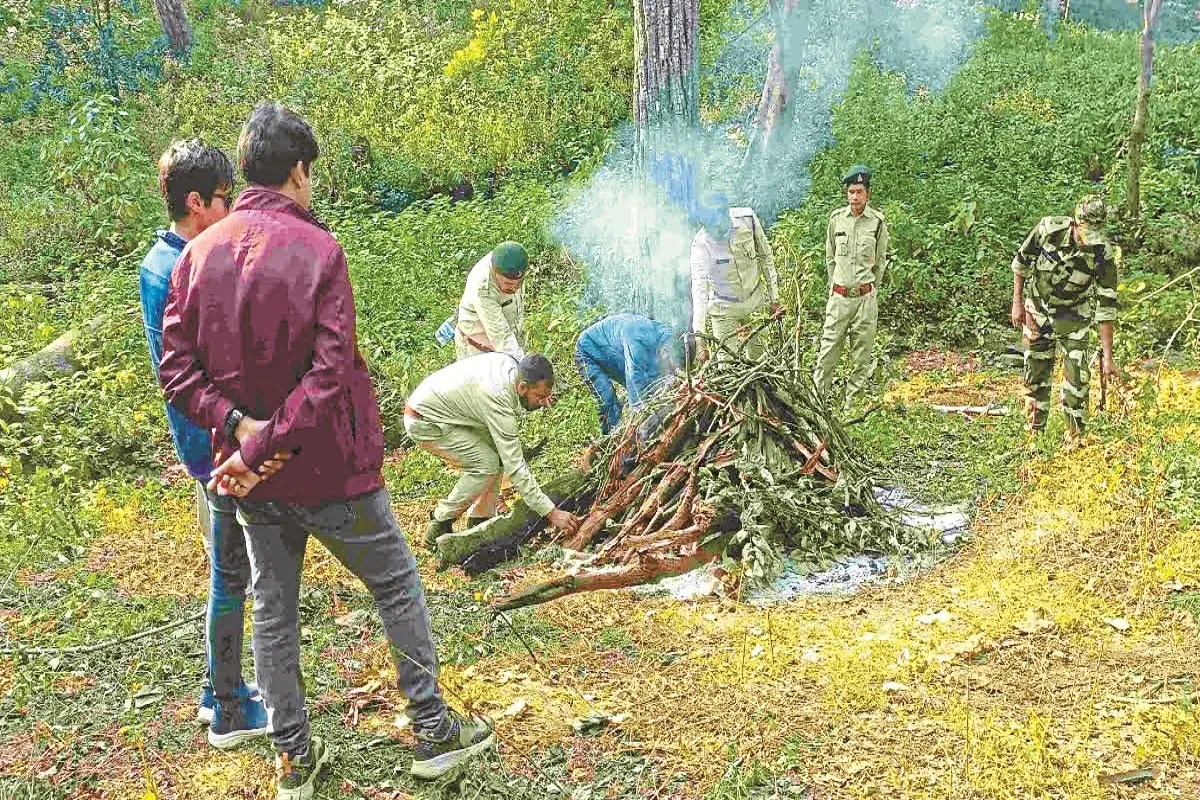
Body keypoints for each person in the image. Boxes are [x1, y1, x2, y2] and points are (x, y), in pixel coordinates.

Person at [159, 102, 492, 800]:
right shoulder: (318, 250)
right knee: (396, 583)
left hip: (256, 482)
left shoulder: (198, 254)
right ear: (299, 172)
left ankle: (293, 760)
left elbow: (177, 373)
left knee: (274, 609)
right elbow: (330, 374)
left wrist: (242, 434)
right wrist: (264, 442)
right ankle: (433, 733)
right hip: (334, 471)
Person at [137, 139, 269, 750]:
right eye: (223, 200)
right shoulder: (178, 270)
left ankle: (219, 687)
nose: (231, 208)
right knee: (232, 574)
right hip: (214, 444)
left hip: (202, 442)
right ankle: (230, 709)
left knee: (226, 569)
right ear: (196, 203)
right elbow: (195, 372)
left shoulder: (163, 259)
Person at [404, 353, 583, 546]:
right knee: (486, 464)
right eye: (539, 397)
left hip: (450, 414)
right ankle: (439, 523)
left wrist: (541, 395)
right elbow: (515, 467)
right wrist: (552, 512)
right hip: (426, 421)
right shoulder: (499, 397)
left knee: (496, 458)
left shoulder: (513, 369)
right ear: (522, 388)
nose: (542, 402)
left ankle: (480, 521)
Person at [1010, 194, 1119, 436]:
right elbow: (1021, 263)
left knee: (1078, 380)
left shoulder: (1103, 253)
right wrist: (1017, 303)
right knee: (1035, 375)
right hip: (1037, 310)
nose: (1087, 240)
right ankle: (1034, 436)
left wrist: (1107, 357)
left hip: (1074, 317)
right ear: (1075, 223)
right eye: (1085, 232)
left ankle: (1076, 439)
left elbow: (1106, 305)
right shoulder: (1049, 229)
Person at [812, 165, 889, 411]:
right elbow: (830, 258)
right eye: (851, 192)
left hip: (865, 299)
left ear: (868, 194)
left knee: (861, 356)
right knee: (828, 351)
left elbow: (881, 260)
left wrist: (869, 288)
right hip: (840, 298)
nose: (855, 197)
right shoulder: (836, 220)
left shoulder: (877, 223)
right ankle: (817, 403)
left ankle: (851, 408)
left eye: (859, 192)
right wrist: (836, 286)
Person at [689, 192, 780, 361]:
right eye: (710, 227)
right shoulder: (700, 245)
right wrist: (700, 339)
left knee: (760, 360)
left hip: (755, 302)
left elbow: (766, 257)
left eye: (719, 225)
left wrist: (775, 298)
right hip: (723, 308)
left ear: (726, 214)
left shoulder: (747, 219)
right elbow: (699, 290)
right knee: (726, 365)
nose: (716, 231)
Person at [575, 313, 680, 434]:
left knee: (650, 380)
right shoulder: (638, 344)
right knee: (609, 401)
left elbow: (666, 369)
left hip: (613, 349)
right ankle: (614, 442)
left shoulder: (665, 334)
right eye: (666, 355)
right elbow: (634, 380)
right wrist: (639, 419)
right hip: (588, 351)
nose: (666, 358)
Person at [453, 241, 529, 360]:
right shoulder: (484, 288)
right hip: (477, 351)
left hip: (506, 344)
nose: (514, 288)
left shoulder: (512, 262)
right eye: (508, 284)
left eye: (519, 283)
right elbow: (501, 336)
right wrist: (524, 364)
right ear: (495, 273)